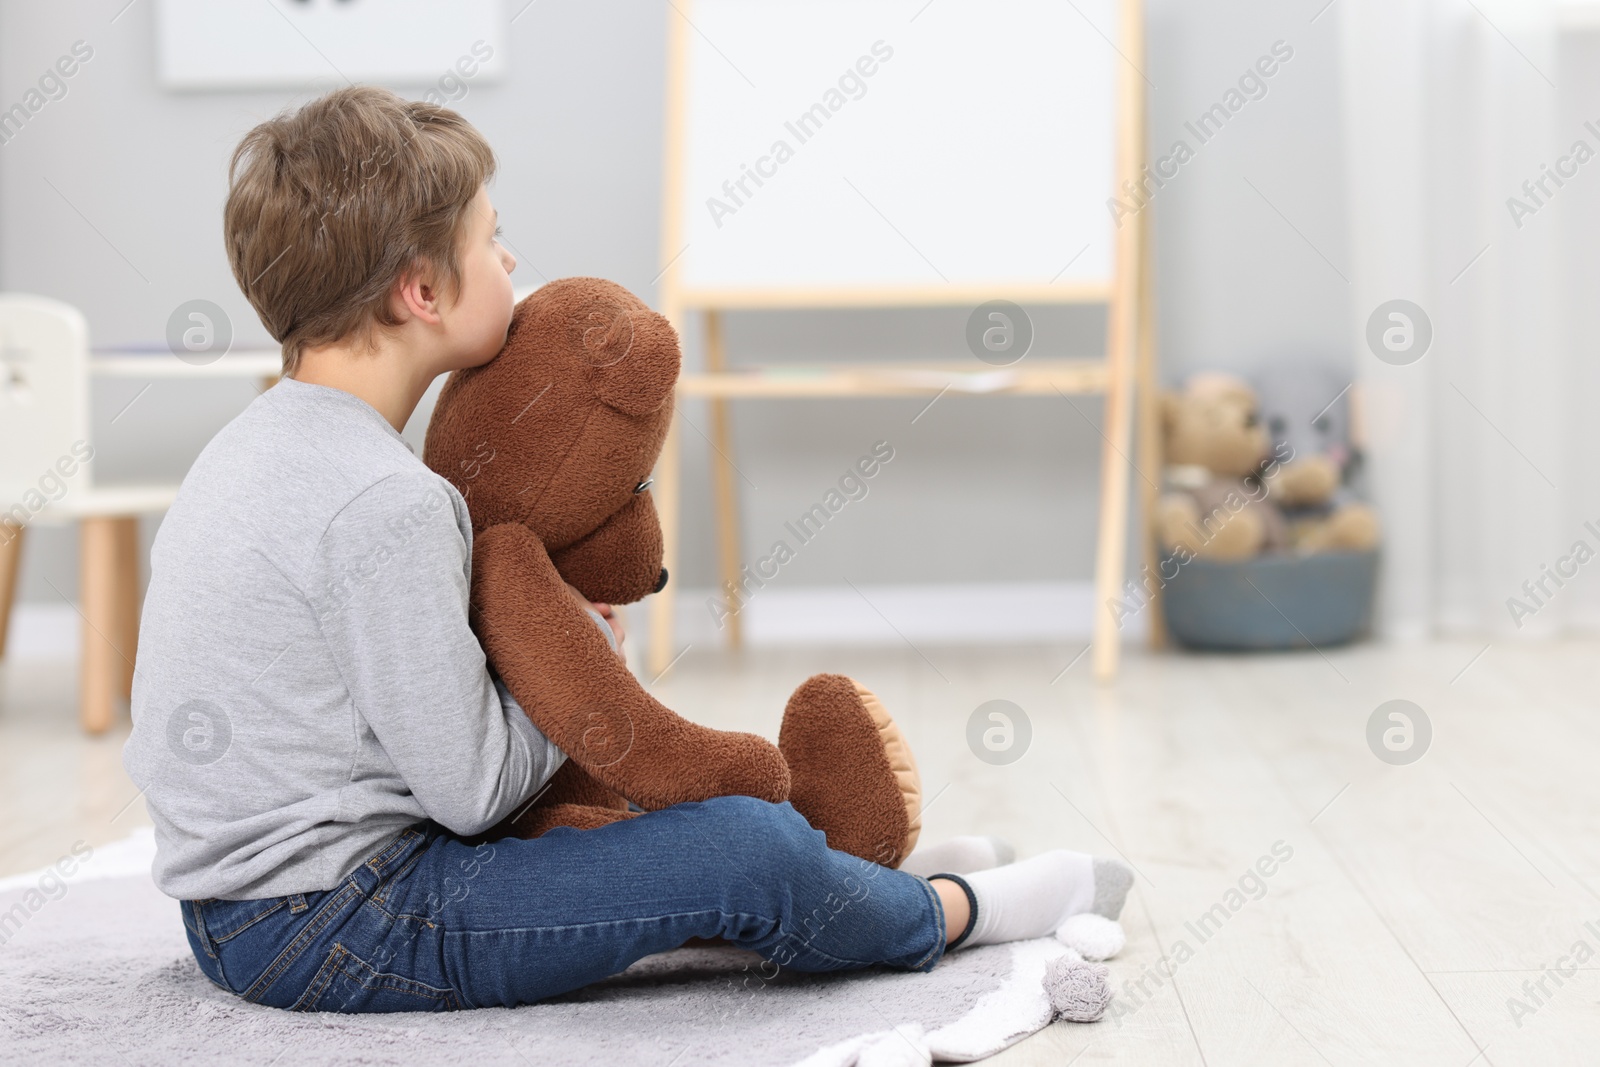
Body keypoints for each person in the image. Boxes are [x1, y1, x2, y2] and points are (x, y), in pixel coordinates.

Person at [122, 86, 1131, 1013]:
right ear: (420, 289)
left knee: (653, 846)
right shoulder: (388, 502)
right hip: (338, 922)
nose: (512, 263)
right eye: (493, 238)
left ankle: (851, 883)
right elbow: (471, 789)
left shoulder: (250, 445)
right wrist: (579, 655)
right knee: (745, 847)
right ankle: (953, 912)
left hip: (239, 912)